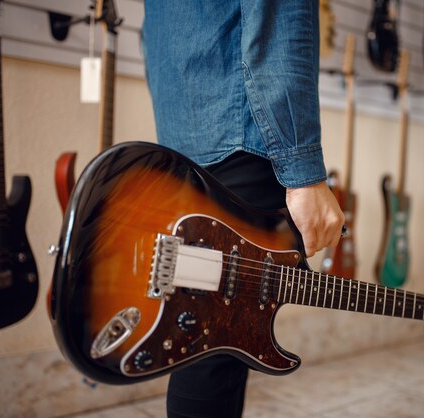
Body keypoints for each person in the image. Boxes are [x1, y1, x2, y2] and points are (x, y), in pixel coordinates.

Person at [141, 1, 345, 417]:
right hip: (238, 131)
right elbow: (278, 18)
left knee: (205, 340)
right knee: (213, 345)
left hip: (188, 133)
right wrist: (304, 174)